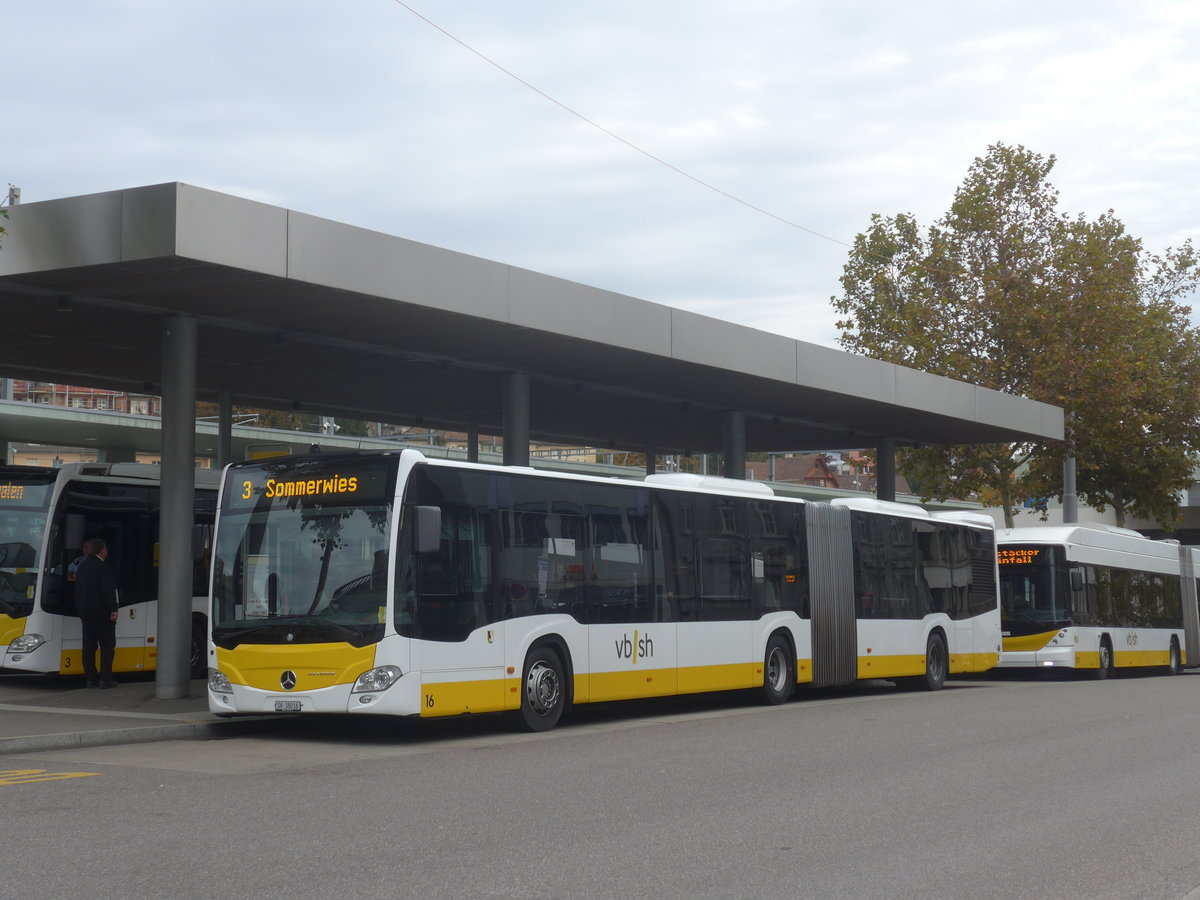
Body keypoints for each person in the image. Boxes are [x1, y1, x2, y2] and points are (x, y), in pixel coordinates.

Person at [74, 537, 119, 688]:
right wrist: (113, 609)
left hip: (85, 613)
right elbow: (108, 591)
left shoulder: (82, 567)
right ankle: (105, 679)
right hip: (102, 613)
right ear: (101, 551)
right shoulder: (103, 568)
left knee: (88, 647)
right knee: (107, 647)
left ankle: (91, 679)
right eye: (105, 549)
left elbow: (77, 591)